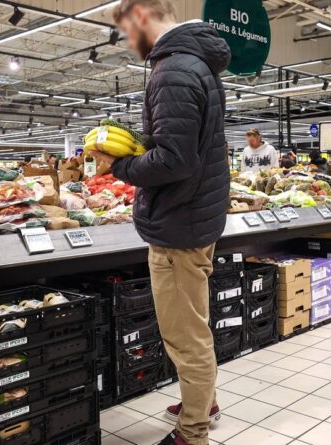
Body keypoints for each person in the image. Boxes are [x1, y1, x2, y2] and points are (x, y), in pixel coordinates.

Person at [94, 2, 231, 444]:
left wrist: (117, 166)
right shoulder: (198, 65)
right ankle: (202, 401)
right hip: (192, 218)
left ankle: (191, 432)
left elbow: (174, 160)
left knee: (185, 337)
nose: (130, 44)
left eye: (127, 33)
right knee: (194, 324)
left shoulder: (173, 71)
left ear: (140, 18)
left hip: (177, 226)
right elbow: (182, 146)